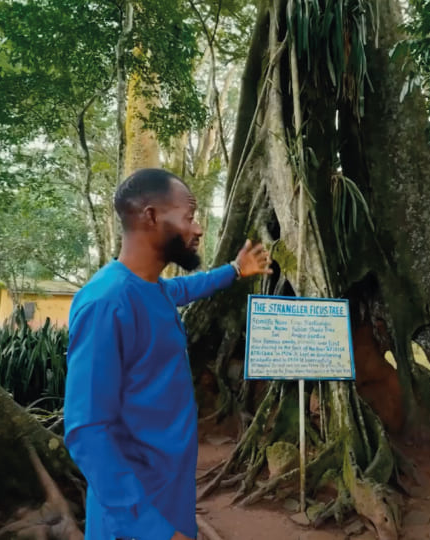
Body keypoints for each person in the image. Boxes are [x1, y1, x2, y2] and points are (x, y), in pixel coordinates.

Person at [64, 168, 273, 540]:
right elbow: (87, 430)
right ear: (151, 216)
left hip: (169, 494)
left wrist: (235, 271)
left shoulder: (154, 289)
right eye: (189, 216)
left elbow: (186, 288)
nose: (198, 229)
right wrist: (152, 529)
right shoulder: (106, 303)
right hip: (135, 519)